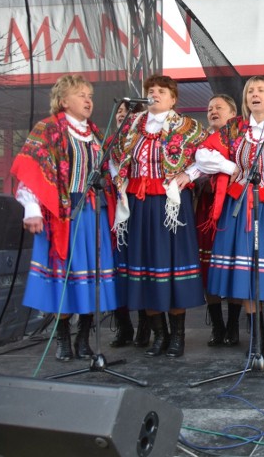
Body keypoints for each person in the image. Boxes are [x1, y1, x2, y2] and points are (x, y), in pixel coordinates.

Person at [195, 77, 264, 358]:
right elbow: (203, 153)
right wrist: (229, 164)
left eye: (261, 91)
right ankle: (256, 335)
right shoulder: (236, 129)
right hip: (241, 207)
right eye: (250, 92)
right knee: (248, 274)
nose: (255, 95)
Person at [12, 74, 119, 361]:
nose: (88, 100)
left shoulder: (95, 134)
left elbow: (109, 172)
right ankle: (62, 339)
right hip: (63, 212)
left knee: (91, 276)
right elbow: (30, 172)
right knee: (64, 276)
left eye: (90, 95)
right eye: (81, 94)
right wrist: (32, 210)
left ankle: (84, 339)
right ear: (63, 101)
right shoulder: (48, 129)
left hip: (94, 213)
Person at [112, 74, 207, 358]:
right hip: (138, 206)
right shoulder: (131, 125)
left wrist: (187, 175)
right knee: (145, 265)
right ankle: (159, 333)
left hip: (170, 207)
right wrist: (121, 181)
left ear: (173, 98)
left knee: (172, 265)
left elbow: (205, 156)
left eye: (161, 91)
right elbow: (114, 158)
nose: (154, 94)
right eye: (150, 90)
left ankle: (177, 335)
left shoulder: (188, 126)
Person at [196, 94, 243, 347]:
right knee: (208, 267)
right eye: (209, 108)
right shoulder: (198, 140)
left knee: (234, 264)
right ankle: (217, 325)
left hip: (232, 206)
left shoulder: (240, 139)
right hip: (205, 208)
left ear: (233, 113)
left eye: (219, 107)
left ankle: (234, 325)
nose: (213, 111)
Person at [108, 99, 151, 349]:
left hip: (138, 205)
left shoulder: (142, 141)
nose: (121, 117)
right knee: (117, 271)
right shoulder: (110, 143)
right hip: (115, 208)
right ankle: (124, 326)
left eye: (127, 113)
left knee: (140, 267)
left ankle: (145, 325)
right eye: (119, 114)